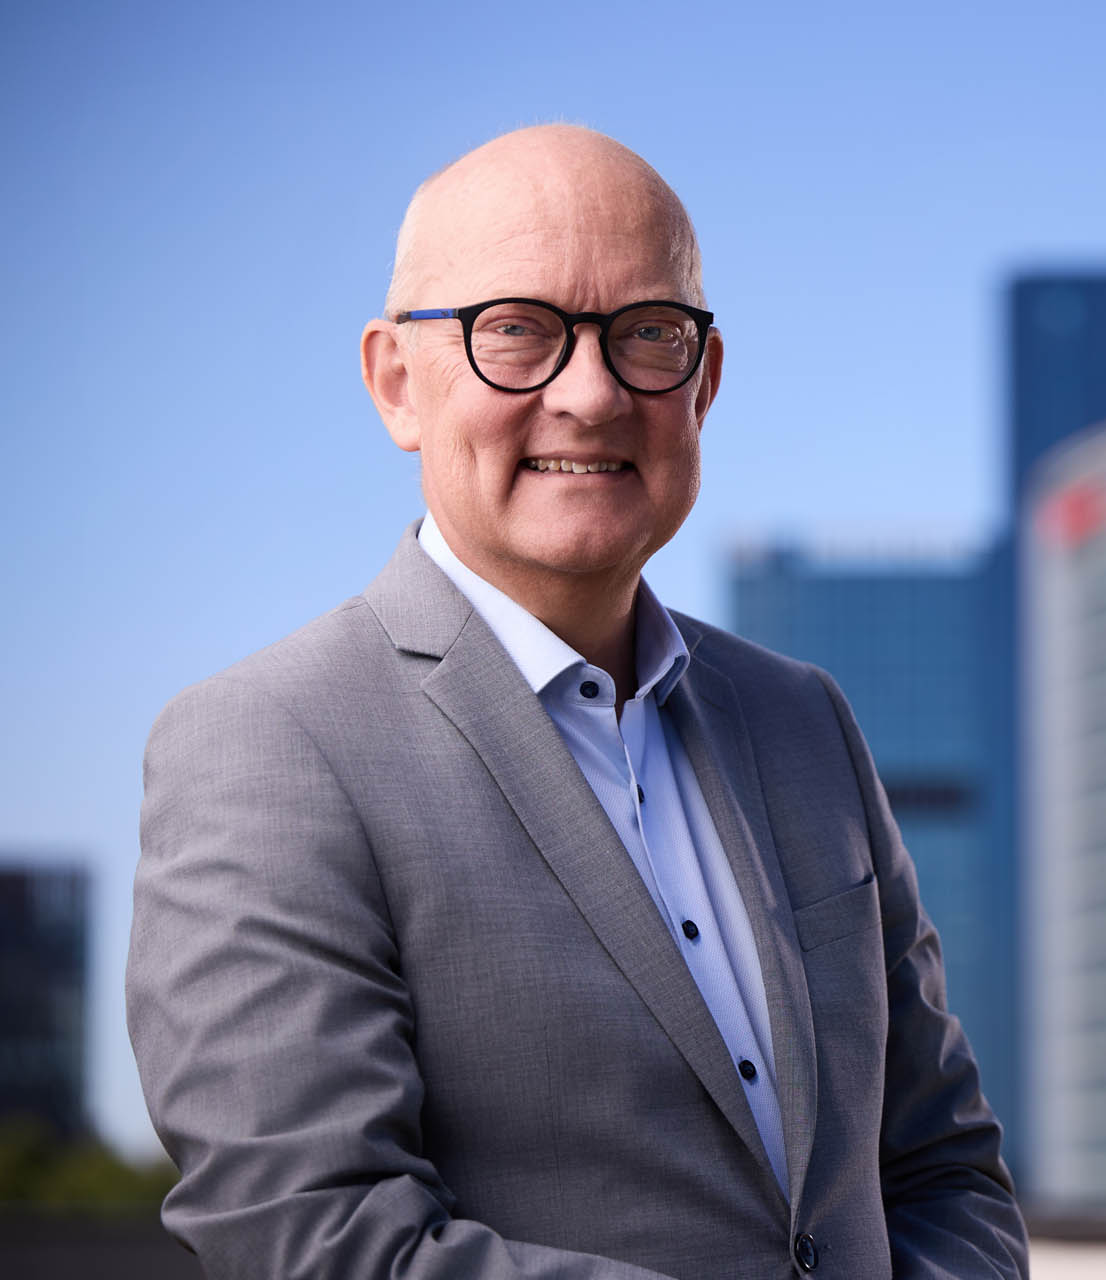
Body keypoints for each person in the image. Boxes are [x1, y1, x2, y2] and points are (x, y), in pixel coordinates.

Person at [127, 125, 1028, 1279]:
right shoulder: (267, 746)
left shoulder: (804, 719)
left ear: (704, 381)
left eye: (647, 332)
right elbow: (314, 1237)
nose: (592, 394)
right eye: (517, 330)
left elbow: (946, 1170)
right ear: (396, 381)